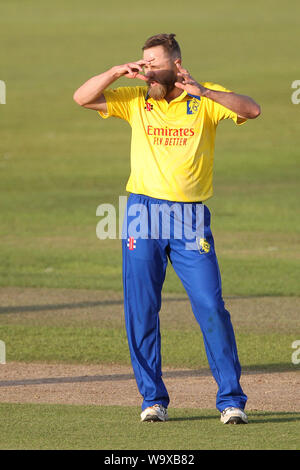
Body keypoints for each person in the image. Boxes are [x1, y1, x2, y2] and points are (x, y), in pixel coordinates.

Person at [73, 33, 261, 425]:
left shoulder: (204, 100)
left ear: (175, 65)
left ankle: (230, 400)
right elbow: (82, 98)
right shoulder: (137, 100)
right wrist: (113, 71)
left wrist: (206, 92)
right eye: (141, 65)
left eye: (151, 65)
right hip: (142, 212)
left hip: (190, 218)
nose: (145, 73)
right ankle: (153, 399)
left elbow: (252, 110)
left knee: (211, 305)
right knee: (142, 308)